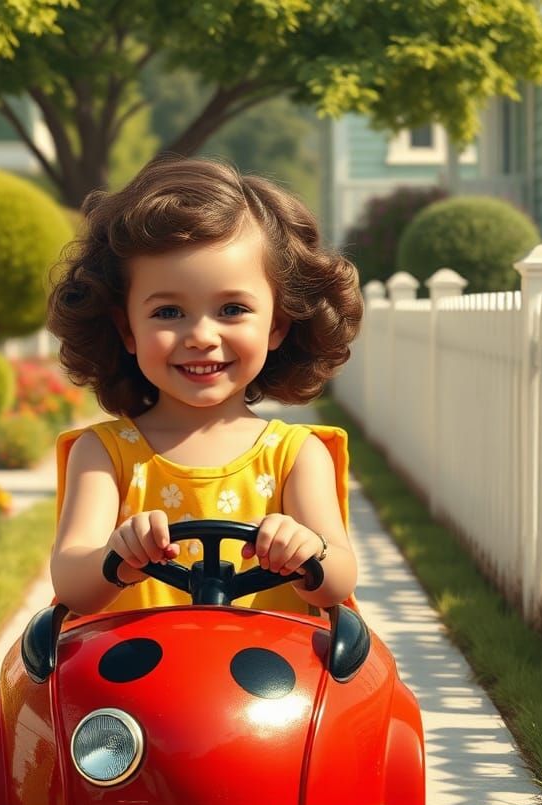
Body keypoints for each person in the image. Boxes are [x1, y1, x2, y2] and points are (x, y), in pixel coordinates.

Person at [48, 156, 363, 617]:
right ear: (126, 329)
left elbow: (338, 581)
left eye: (232, 309)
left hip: (270, 682)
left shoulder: (295, 454)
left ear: (277, 325)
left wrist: (309, 549)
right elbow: (72, 584)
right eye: (168, 312)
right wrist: (116, 558)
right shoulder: (104, 454)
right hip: (132, 682)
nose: (201, 336)